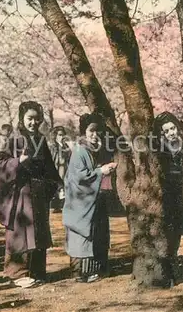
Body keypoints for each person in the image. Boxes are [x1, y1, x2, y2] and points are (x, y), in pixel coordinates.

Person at [0, 101, 61, 288]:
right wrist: (17, 161)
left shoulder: (40, 138)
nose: (33, 122)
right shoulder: (14, 138)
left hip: (38, 191)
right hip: (20, 191)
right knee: (21, 230)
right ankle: (18, 273)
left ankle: (37, 270)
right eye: (29, 118)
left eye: (36, 118)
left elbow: (48, 164)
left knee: (38, 230)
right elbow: (0, 162)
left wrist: (55, 182)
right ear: (22, 119)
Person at [63, 113, 116, 283]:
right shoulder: (80, 151)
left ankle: (94, 269)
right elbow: (79, 177)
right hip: (82, 202)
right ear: (84, 132)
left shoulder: (93, 150)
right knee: (82, 234)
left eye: (98, 131)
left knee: (96, 232)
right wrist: (101, 171)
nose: (95, 134)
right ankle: (81, 273)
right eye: (91, 130)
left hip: (92, 200)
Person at [153, 111, 183, 284]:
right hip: (169, 195)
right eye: (166, 131)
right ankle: (169, 270)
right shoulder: (161, 149)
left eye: (173, 128)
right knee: (170, 234)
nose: (171, 133)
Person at [50, 126, 71, 213]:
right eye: (60, 135)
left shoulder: (65, 146)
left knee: (64, 186)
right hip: (56, 168)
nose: (62, 137)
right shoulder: (53, 146)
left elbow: (69, 158)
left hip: (64, 168)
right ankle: (56, 205)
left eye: (63, 135)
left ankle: (63, 205)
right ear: (55, 136)